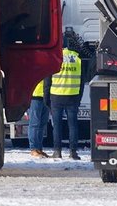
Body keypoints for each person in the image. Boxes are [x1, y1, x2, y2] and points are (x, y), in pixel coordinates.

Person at [48, 30, 85, 159]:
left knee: (56, 126)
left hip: (56, 96)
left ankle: (57, 151)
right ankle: (73, 152)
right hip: (73, 96)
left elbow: (48, 79)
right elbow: (81, 81)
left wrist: (46, 98)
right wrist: (79, 97)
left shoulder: (56, 57)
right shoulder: (77, 58)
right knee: (73, 125)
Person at [26, 74, 52, 158]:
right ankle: (33, 149)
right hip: (36, 95)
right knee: (34, 124)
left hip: (46, 95)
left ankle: (39, 149)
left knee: (42, 124)